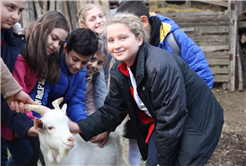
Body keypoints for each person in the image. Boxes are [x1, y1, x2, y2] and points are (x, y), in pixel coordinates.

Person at [69, 13, 224, 166]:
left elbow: (170, 118)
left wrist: (163, 163)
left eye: (123, 38)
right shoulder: (120, 69)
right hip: (166, 122)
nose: (116, 45)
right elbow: (112, 109)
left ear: (139, 39)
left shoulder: (159, 66)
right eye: (111, 40)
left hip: (197, 121)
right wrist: (80, 127)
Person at [116, 1, 214, 165]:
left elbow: (204, 76)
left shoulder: (175, 40)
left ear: (143, 22)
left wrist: (182, 108)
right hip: (160, 121)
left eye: (129, 30)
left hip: (186, 116)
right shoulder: (130, 46)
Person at [1, 10, 70, 166]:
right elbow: (18, 93)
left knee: (27, 154)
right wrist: (27, 123)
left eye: (60, 43)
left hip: (21, 115)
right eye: (53, 38)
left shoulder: (43, 58)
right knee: (19, 155)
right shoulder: (21, 57)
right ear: (40, 28)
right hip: (11, 112)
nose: (55, 45)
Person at [0, 0, 37, 113]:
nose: (15, 16)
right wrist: (13, 91)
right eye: (10, 7)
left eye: (20, 11)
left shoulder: (9, 39)